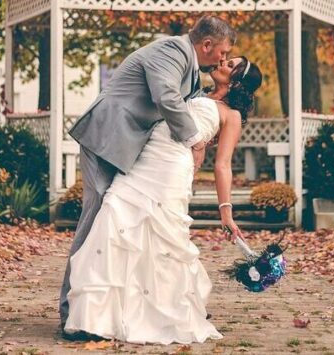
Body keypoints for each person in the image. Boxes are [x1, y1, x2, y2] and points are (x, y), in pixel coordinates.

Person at [63, 56, 263, 344]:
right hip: (143, 161)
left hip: (170, 171)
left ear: (236, 81)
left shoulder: (230, 115)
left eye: (230, 64)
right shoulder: (193, 92)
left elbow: (224, 165)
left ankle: (162, 313)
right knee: (112, 218)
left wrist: (225, 211)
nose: (222, 61)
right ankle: (96, 317)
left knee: (163, 241)